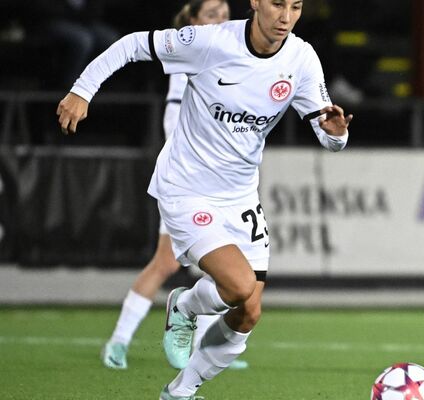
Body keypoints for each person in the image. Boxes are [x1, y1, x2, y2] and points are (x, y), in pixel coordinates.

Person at [57, 0, 353, 398]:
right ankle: (184, 307)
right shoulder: (210, 42)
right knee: (238, 286)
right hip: (187, 188)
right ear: (255, 3)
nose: (285, 17)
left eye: (296, 7)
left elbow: (328, 135)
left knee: (249, 312)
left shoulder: (301, 58)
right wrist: (82, 90)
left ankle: (179, 392)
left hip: (241, 195)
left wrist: (335, 134)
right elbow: (131, 45)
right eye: (277, 4)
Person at [99, 0, 252, 372]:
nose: (220, 18)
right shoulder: (192, 53)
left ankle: (200, 348)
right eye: (211, 13)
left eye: (224, 12)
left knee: (211, 267)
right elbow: (174, 121)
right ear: (193, 20)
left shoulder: (225, 54)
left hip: (215, 183)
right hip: (188, 182)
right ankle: (117, 342)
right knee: (165, 262)